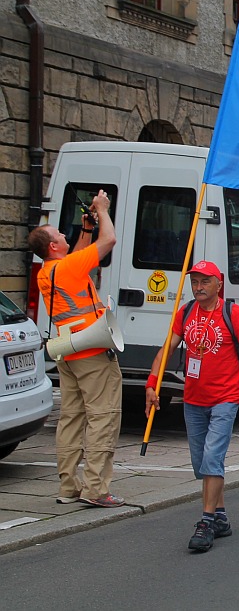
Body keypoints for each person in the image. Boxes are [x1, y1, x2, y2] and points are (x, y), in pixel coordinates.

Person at [144, 261, 239, 552]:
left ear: (218, 284)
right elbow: (166, 348)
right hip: (193, 399)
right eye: (195, 281)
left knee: (212, 457)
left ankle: (206, 522)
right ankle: (220, 517)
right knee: (201, 464)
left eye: (204, 281)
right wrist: (151, 383)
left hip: (226, 397)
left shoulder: (233, 313)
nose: (198, 287)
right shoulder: (185, 312)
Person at [28, 189, 124, 508]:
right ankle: (96, 488)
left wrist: (85, 229)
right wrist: (103, 210)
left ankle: (68, 485)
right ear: (54, 246)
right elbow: (108, 241)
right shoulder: (66, 268)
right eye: (59, 233)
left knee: (71, 418)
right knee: (103, 416)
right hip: (92, 351)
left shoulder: (49, 271)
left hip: (67, 349)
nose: (63, 232)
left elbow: (77, 261)